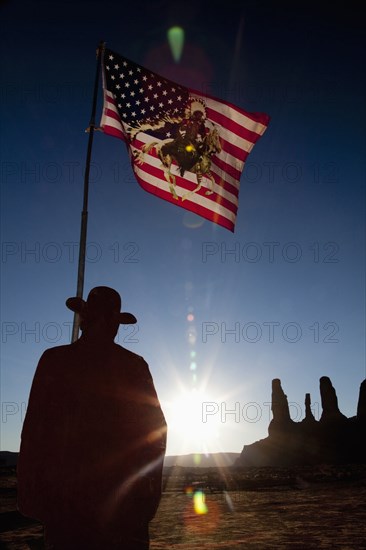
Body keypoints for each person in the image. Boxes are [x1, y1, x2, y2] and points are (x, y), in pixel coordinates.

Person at [17, 286, 167, 549]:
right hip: (116, 508)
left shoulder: (55, 360)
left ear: (84, 319)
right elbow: (156, 433)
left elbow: (34, 431)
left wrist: (32, 493)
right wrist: (146, 498)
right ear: (110, 323)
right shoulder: (133, 365)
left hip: (70, 507)